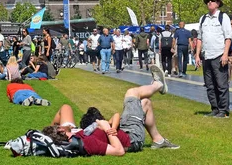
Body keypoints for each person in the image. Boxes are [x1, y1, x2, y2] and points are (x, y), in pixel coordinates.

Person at [43, 66, 177, 155]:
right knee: (132, 92)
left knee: (145, 103)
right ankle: (158, 85)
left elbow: (65, 108)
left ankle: (158, 140)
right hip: (132, 138)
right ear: (61, 131)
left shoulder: (76, 133)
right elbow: (119, 151)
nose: (61, 126)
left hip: (124, 130)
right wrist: (107, 128)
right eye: (59, 127)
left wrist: (111, 126)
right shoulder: (86, 142)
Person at [194, 0, 232, 118]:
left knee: (221, 84)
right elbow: (199, 38)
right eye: (208, 1)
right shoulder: (203, 18)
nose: (209, 2)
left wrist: (225, 54)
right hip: (206, 55)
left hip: (218, 54)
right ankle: (215, 108)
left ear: (218, 3)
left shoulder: (223, 17)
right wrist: (197, 55)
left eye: (212, 0)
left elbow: (228, 37)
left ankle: (223, 110)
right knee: (209, 85)